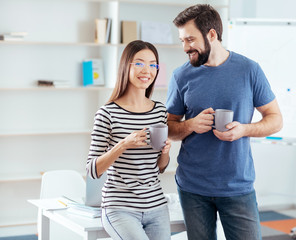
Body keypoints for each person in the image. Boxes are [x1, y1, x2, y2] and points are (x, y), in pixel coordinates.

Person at [166, 4, 283, 240]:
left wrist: (244, 130)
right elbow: (169, 127)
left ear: (212, 34)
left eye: (190, 39)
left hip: (237, 185)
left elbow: (276, 119)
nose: (186, 47)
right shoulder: (181, 76)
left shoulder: (249, 70)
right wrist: (190, 125)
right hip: (192, 187)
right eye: (182, 40)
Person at [86, 40, 171, 240]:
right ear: (126, 66)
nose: (147, 70)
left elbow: (159, 167)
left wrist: (166, 152)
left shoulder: (160, 111)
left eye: (153, 64)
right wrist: (123, 144)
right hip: (119, 207)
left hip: (156, 205)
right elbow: (92, 170)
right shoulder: (107, 114)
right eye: (140, 63)